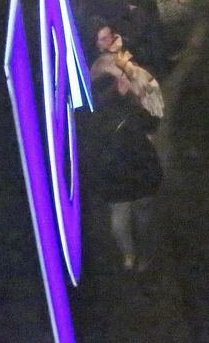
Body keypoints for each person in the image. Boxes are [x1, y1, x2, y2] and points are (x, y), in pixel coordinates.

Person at [82, 70, 163, 272]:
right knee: (128, 219)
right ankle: (135, 253)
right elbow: (152, 124)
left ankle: (137, 254)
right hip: (127, 171)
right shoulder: (114, 105)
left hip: (130, 172)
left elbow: (151, 126)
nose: (128, 81)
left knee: (133, 217)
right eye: (125, 77)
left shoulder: (134, 105)